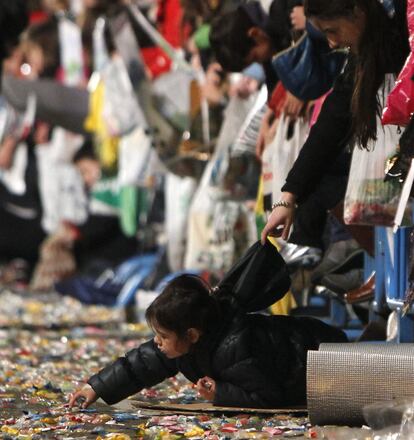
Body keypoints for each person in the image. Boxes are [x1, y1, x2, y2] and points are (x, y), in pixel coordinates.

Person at [68, 241, 347, 409]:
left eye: (162, 336)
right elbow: (141, 364)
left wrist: (220, 393)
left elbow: (269, 394)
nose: (156, 342)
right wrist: (97, 388)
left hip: (326, 359)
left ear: (191, 334)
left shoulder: (237, 346)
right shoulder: (185, 344)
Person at [261, 0, 409, 245]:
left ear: (357, 11)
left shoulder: (404, 25)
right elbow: (331, 123)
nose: (332, 43)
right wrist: (288, 196)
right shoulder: (365, 51)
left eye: (332, 30)